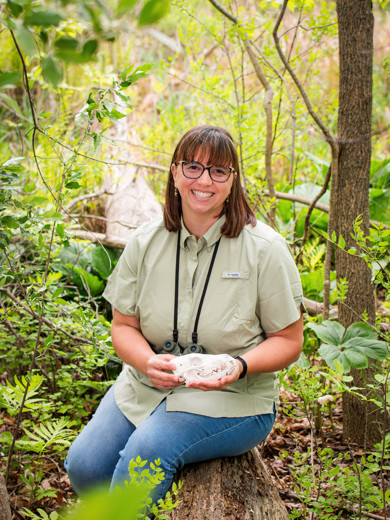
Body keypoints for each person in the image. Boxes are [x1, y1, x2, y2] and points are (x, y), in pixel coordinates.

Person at [65, 125, 304, 503]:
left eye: (218, 171)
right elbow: (123, 325)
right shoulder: (145, 242)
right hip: (147, 385)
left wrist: (238, 367)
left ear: (232, 181)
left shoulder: (265, 250)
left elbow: (289, 341)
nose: (204, 180)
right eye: (192, 167)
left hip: (235, 398)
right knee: (84, 466)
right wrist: (146, 362)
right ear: (175, 173)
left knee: (145, 455)